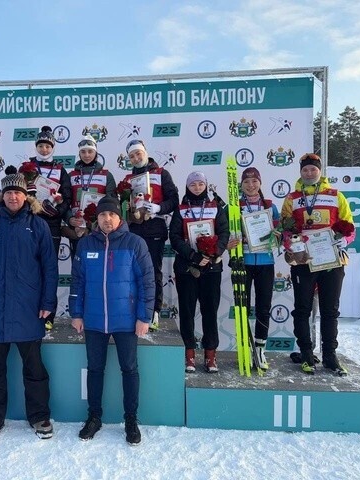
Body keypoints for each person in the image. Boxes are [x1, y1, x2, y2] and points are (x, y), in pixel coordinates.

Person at [0, 171, 58, 444]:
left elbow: (50, 268)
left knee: (34, 368)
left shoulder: (38, 225)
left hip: (29, 309)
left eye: (18, 192)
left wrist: (47, 303)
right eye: (8, 193)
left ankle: (40, 416)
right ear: (1, 197)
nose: (13, 196)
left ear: (26, 196)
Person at [69, 196, 155, 445]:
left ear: (120, 217)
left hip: (127, 321)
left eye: (112, 215)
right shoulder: (85, 245)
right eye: (103, 215)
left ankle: (131, 420)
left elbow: (147, 283)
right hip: (94, 320)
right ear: (97, 218)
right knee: (95, 369)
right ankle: (94, 417)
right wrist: (76, 313)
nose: (107, 219)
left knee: (129, 369)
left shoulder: (135, 243)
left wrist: (143, 316)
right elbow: (78, 282)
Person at [281, 153, 355, 375]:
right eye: (305, 170)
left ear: (320, 171)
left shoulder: (336, 195)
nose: (309, 173)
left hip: (331, 260)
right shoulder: (291, 198)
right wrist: (292, 246)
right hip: (304, 260)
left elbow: (349, 226)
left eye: (313, 169)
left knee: (330, 310)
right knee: (302, 309)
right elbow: (285, 229)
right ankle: (306, 353)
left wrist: (345, 239)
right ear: (300, 172)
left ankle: (330, 356)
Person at [169, 172, 229, 373]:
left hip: (212, 267)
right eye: (193, 184)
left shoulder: (215, 208)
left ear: (206, 185)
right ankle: (189, 354)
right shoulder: (181, 209)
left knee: (210, 311)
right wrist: (193, 256)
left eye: (200, 184)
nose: (197, 187)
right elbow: (175, 237)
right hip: (187, 267)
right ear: (187, 187)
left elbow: (224, 233)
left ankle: (210, 355)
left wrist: (214, 253)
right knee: (186, 312)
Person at [121, 139, 179, 331]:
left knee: (153, 272)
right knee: (133, 272)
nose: (136, 158)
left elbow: (174, 200)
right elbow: (124, 206)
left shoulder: (162, 173)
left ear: (145, 152)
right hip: (135, 229)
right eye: (132, 156)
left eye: (138, 153)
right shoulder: (128, 179)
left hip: (155, 228)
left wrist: (159, 208)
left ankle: (153, 312)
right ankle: (136, 310)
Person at [27, 125, 72, 330]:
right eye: (41, 145)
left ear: (53, 148)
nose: (44, 149)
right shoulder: (26, 167)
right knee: (30, 268)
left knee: (49, 270)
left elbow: (67, 198)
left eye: (48, 146)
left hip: (52, 224)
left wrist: (57, 209)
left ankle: (49, 314)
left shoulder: (61, 170)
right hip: (31, 223)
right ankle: (30, 310)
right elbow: (18, 194)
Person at [237, 167, 280, 370]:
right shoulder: (235, 206)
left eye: (254, 181)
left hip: (266, 262)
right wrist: (238, 239)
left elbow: (281, 233)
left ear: (260, 183)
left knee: (264, 307)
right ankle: (245, 349)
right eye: (247, 182)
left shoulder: (270, 206)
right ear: (241, 185)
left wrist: (277, 236)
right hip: (244, 261)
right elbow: (227, 232)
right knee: (242, 308)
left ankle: (260, 349)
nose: (251, 185)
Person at [64, 135, 117, 254]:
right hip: (77, 226)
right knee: (78, 264)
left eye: (90, 151)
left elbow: (112, 202)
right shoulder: (71, 175)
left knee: (98, 264)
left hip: (99, 226)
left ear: (96, 153)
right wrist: (70, 219)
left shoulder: (106, 175)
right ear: (79, 154)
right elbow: (65, 202)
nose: (86, 155)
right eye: (83, 152)